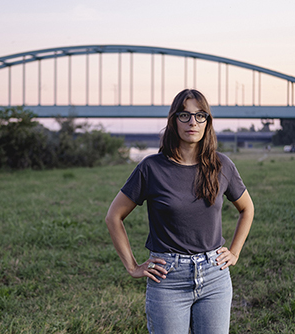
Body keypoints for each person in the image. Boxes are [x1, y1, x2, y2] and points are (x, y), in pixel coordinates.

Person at [105, 89, 254, 334]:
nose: (192, 122)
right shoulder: (151, 168)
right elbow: (113, 216)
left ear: (208, 121)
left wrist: (235, 252)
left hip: (214, 275)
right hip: (168, 279)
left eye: (200, 115)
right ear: (173, 120)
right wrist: (132, 267)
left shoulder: (222, 165)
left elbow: (247, 208)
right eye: (184, 115)